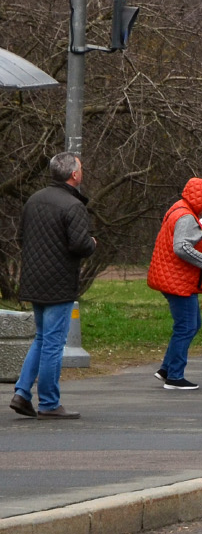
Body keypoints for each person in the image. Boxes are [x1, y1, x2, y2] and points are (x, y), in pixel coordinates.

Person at [10, 152, 96, 420]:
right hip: (58, 283)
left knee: (42, 338)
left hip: (34, 279)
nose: (82, 171)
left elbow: (21, 237)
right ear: (74, 174)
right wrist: (93, 243)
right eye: (80, 168)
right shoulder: (73, 206)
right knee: (53, 344)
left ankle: (22, 392)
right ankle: (48, 402)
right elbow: (80, 244)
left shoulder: (33, 200)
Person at [146, 177, 202, 390]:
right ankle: (175, 377)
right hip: (178, 281)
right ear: (200, 198)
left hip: (172, 277)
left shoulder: (177, 208)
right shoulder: (186, 217)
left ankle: (166, 369)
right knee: (187, 326)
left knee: (191, 324)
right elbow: (181, 247)